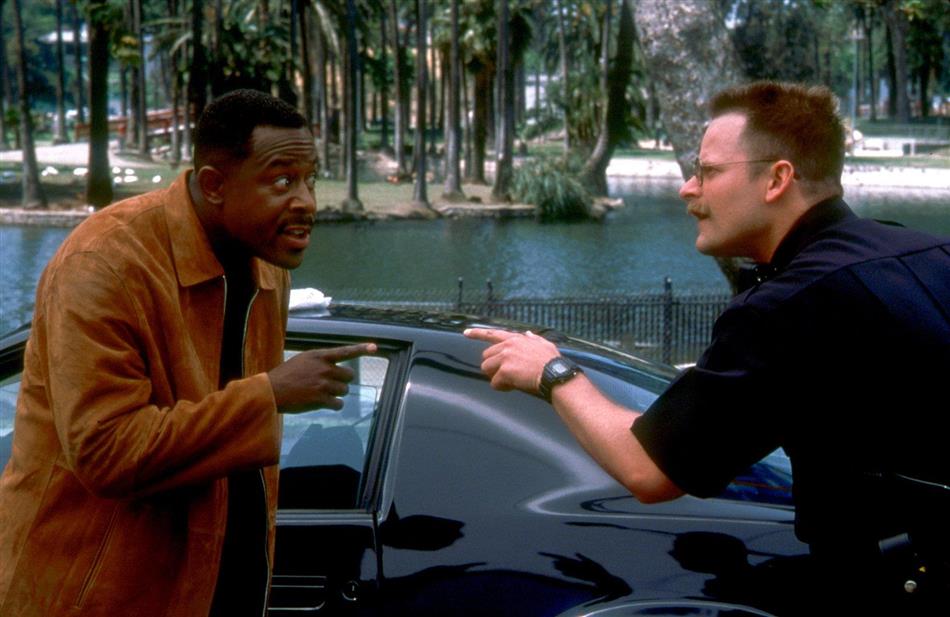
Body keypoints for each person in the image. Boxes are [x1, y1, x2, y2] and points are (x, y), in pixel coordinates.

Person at [466, 81, 949, 612]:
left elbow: (648, 470)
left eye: (708, 171)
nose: (687, 189)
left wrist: (552, 372)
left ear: (777, 179)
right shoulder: (930, 253)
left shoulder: (787, 306)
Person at [0, 89, 375, 617]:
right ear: (214, 185)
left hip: (219, 591)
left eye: (311, 180)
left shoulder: (267, 269)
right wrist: (269, 395)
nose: (307, 202)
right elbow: (105, 452)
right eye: (282, 181)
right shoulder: (104, 262)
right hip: (92, 597)